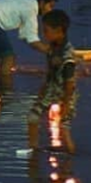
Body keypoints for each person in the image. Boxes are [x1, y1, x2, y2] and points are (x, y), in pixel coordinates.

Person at [28, 9, 77, 152]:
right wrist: (42, 90)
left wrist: (66, 104)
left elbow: (69, 82)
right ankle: (33, 148)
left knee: (64, 127)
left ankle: (70, 160)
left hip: (66, 93)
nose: (44, 34)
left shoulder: (67, 54)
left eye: (47, 31)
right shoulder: (52, 48)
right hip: (51, 90)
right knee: (33, 116)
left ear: (59, 30)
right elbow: (50, 72)